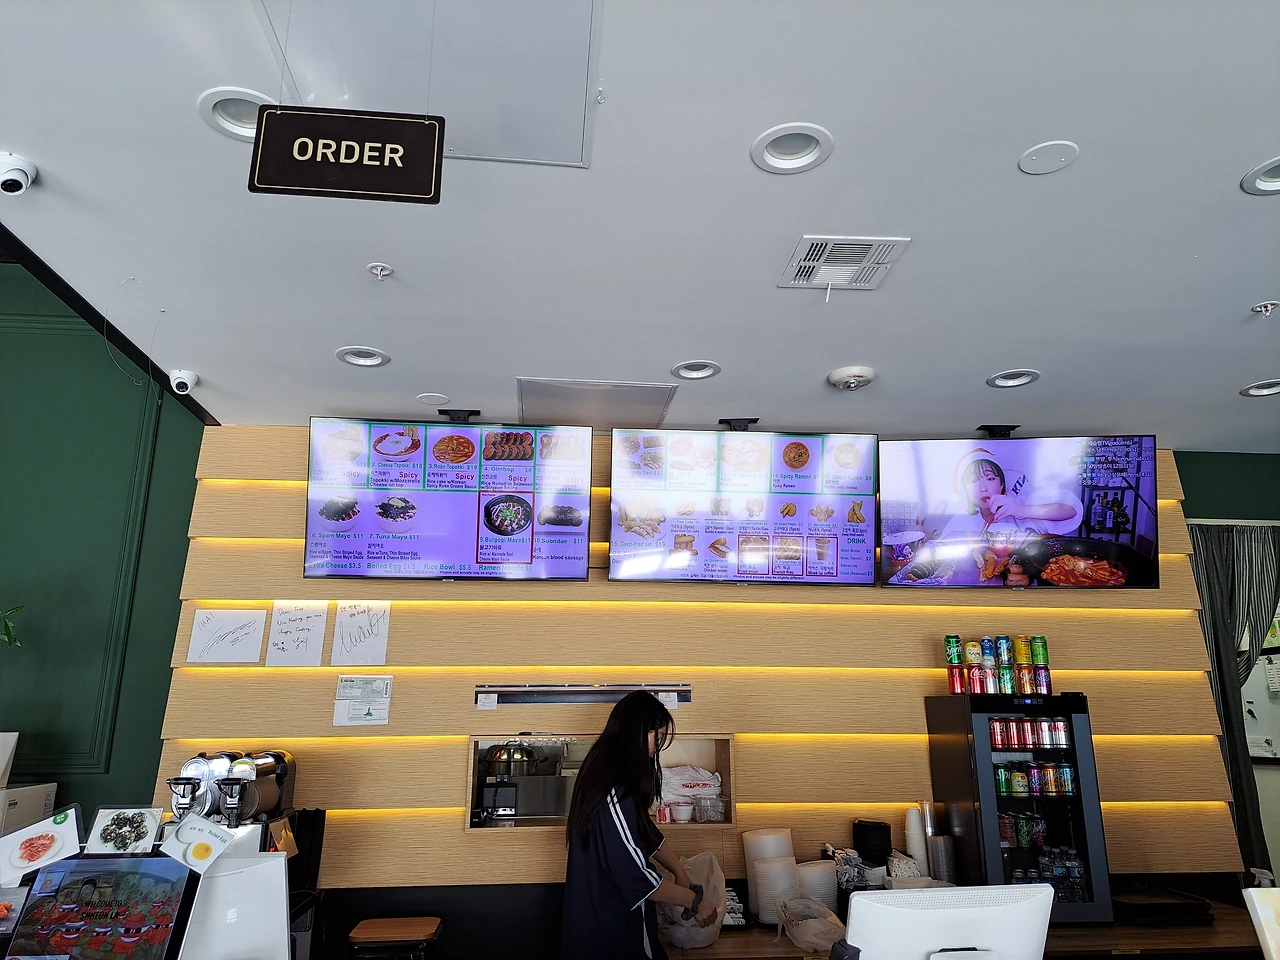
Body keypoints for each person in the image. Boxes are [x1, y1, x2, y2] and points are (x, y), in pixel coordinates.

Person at [562, 691, 718, 960]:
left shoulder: (610, 771)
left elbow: (643, 831)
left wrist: (681, 873)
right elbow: (637, 877)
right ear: (637, 731)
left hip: (609, 921)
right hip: (608, 929)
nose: (657, 747)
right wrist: (694, 901)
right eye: (657, 737)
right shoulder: (611, 787)